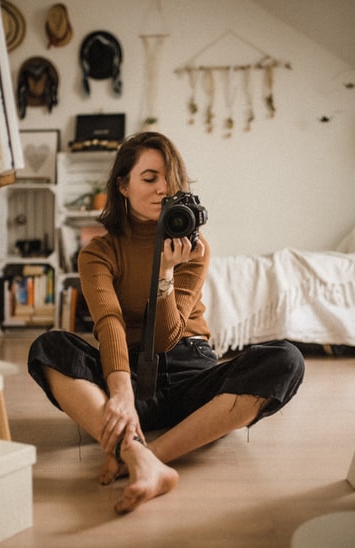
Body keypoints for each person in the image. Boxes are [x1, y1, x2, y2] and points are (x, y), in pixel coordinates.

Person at [28, 131, 304, 514]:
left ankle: (146, 456)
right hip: (129, 376)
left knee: (285, 359)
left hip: (192, 375)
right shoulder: (99, 252)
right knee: (49, 347)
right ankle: (137, 451)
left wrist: (166, 274)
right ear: (122, 186)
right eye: (149, 178)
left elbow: (166, 338)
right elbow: (109, 322)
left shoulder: (195, 246)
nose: (163, 189)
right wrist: (121, 392)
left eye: (170, 179)